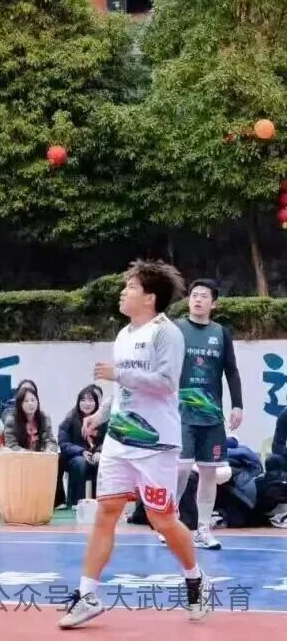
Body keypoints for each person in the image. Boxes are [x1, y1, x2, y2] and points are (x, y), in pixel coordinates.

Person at [59, 261, 210, 629]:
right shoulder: (124, 335)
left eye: (130, 287)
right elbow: (124, 389)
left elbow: (166, 382)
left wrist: (118, 373)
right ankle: (87, 594)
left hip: (156, 442)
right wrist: (101, 415)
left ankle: (195, 578)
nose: (123, 293)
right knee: (106, 511)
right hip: (119, 440)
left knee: (162, 519)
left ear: (149, 297)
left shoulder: (167, 333)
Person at [169, 279, 243, 550]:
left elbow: (231, 370)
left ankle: (203, 529)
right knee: (181, 469)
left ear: (214, 303)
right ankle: (170, 522)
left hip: (211, 415)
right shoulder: (176, 329)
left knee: (209, 472)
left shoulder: (221, 333)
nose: (198, 299)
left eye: (203, 296)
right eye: (194, 295)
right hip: (181, 412)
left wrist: (237, 404)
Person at [58, 385, 107, 506]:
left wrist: (99, 451)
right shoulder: (70, 419)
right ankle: (76, 503)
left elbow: (107, 440)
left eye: (90, 400)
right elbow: (63, 443)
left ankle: (100, 503)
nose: (87, 403)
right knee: (81, 463)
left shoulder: (103, 420)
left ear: (96, 403)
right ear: (78, 402)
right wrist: (81, 451)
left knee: (103, 462)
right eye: (83, 400)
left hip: (95, 455)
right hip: (75, 456)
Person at [3, 387, 58, 452]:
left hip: (41, 456)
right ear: (20, 404)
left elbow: (51, 441)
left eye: (33, 400)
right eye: (26, 401)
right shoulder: (11, 421)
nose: (30, 404)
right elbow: (11, 445)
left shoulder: (44, 418)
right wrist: (28, 454)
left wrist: (49, 449)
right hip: (20, 456)